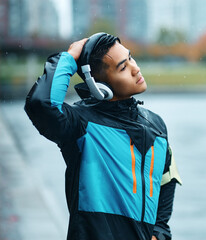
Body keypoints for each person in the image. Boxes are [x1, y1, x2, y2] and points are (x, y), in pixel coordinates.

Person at [24, 32, 182, 240]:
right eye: (123, 67)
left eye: (131, 58)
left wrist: (159, 232)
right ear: (100, 87)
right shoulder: (81, 126)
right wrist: (69, 58)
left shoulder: (156, 125)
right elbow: (41, 105)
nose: (136, 68)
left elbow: (166, 179)